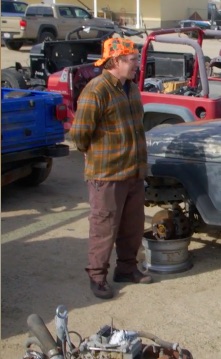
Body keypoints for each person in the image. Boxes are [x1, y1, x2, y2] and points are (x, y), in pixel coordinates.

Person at [70, 38, 152, 300]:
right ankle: (97, 276)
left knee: (132, 227)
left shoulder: (131, 89)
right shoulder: (97, 90)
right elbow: (80, 135)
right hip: (107, 175)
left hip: (133, 172)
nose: (137, 65)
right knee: (104, 227)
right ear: (115, 61)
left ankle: (127, 269)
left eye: (136, 59)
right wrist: (96, 157)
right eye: (132, 60)